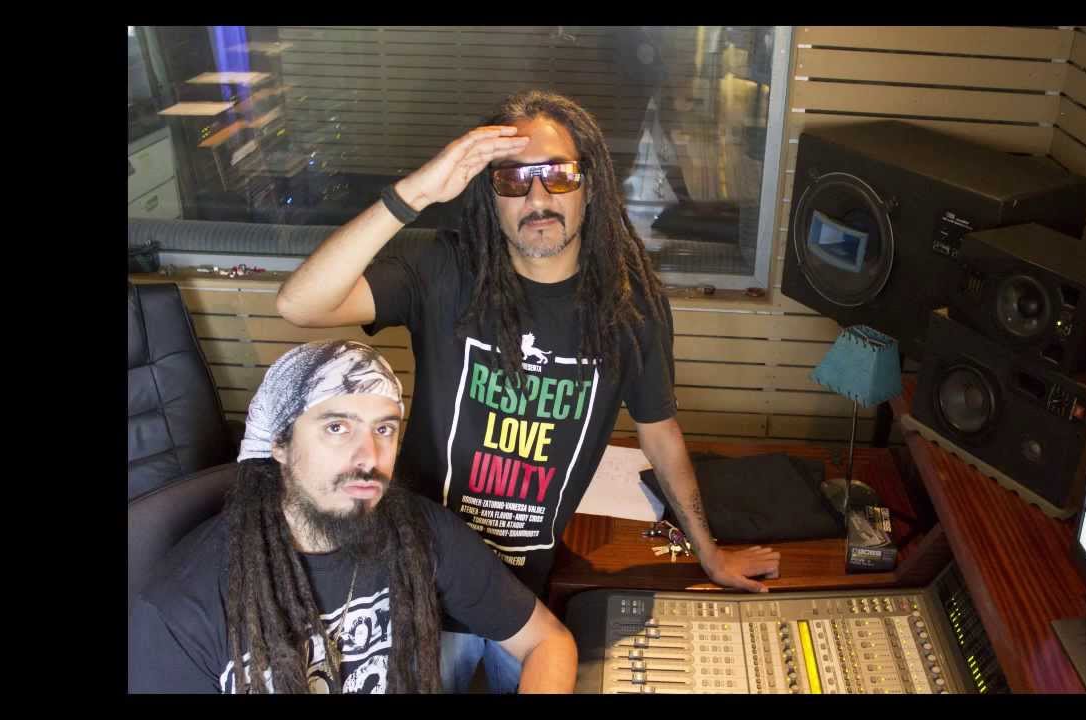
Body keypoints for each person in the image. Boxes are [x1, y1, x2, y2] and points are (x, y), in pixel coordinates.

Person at [275, 90, 781, 691]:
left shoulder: (631, 306)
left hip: (523, 600)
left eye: (558, 175)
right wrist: (416, 192)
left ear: (590, 185)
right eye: (513, 180)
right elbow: (300, 304)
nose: (538, 198)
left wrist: (708, 551)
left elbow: (660, 433)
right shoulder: (446, 269)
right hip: (416, 581)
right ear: (490, 196)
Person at [128, 340, 577, 693]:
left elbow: (547, 640)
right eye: (337, 427)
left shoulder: (421, 531)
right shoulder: (179, 611)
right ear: (279, 443)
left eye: (384, 429)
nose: (369, 457)